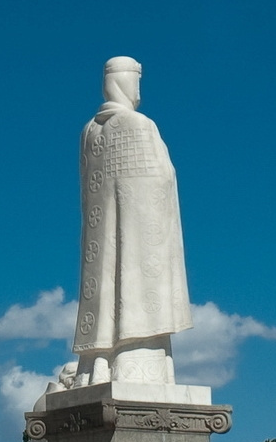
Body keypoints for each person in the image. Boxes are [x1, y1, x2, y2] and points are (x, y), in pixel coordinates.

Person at [71, 56, 194, 385]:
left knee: (104, 277)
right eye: (136, 82)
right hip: (139, 234)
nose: (138, 90)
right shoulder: (140, 125)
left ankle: (98, 359)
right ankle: (135, 352)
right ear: (125, 82)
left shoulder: (88, 132)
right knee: (134, 281)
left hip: (100, 233)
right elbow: (158, 179)